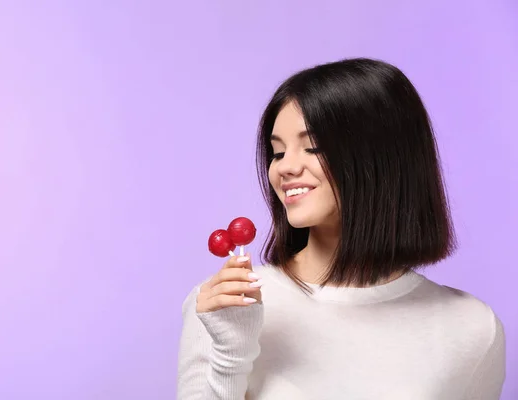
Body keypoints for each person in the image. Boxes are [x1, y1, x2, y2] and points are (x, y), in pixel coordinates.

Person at [176, 58, 506, 399]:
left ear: (383, 157)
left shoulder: (472, 328)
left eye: (313, 147)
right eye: (277, 152)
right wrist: (231, 354)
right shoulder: (224, 306)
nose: (285, 168)